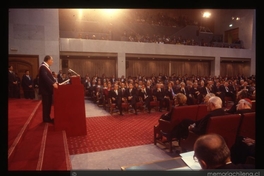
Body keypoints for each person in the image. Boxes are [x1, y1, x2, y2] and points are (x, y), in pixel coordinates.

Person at [38, 55, 58, 123]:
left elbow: (49, 77)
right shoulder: (43, 67)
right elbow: (45, 77)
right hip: (45, 90)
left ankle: (47, 117)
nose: (52, 61)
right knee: (46, 105)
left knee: (48, 104)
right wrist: (53, 83)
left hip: (48, 90)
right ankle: (46, 119)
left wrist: (55, 82)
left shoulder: (46, 67)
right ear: (48, 60)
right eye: (51, 60)